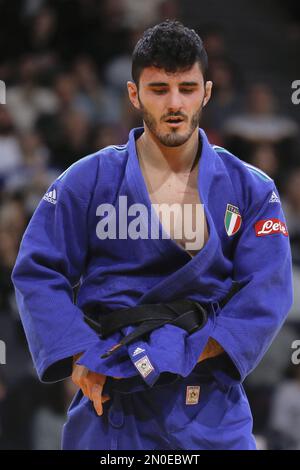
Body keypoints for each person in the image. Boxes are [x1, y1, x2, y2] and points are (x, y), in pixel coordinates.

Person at [12, 20, 293, 450]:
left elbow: (267, 291)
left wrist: (176, 353)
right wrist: (78, 355)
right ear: (134, 94)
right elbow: (37, 272)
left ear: (208, 92)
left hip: (209, 410)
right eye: (159, 89)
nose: (175, 103)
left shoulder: (251, 188)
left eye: (187, 88)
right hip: (111, 407)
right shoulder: (87, 181)